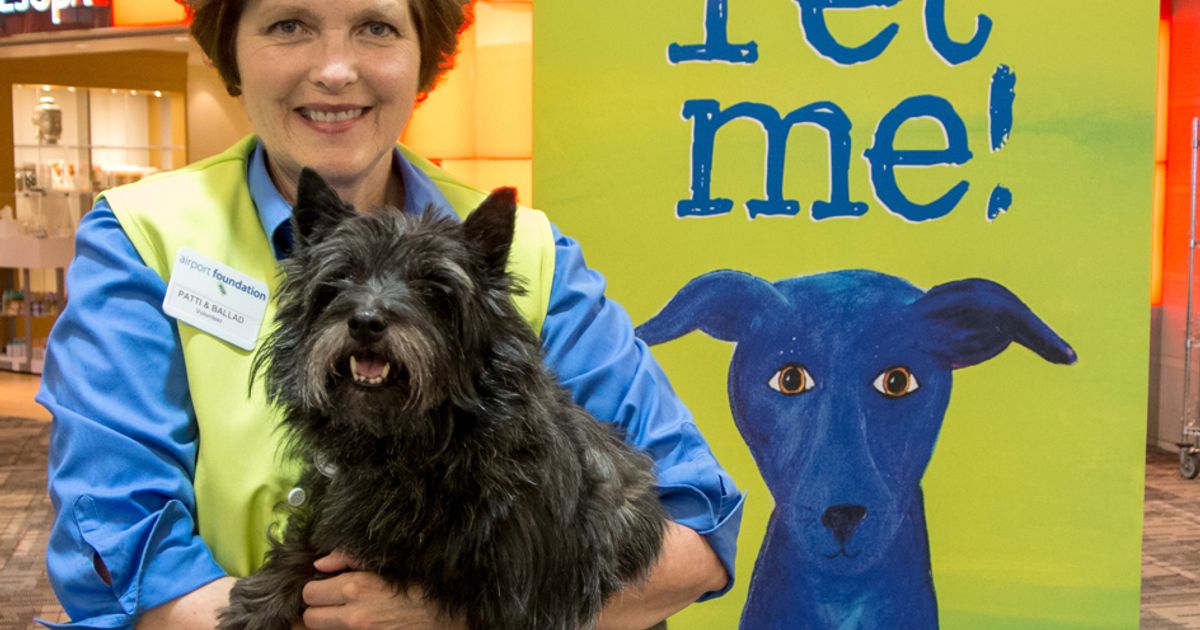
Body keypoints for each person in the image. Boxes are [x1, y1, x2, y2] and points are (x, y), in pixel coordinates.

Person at [39, 0, 744, 628]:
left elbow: (697, 536)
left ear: (423, 52)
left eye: (376, 27)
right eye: (289, 24)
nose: (334, 70)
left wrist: (457, 617)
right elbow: (120, 556)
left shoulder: (530, 252)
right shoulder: (145, 238)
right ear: (232, 45)